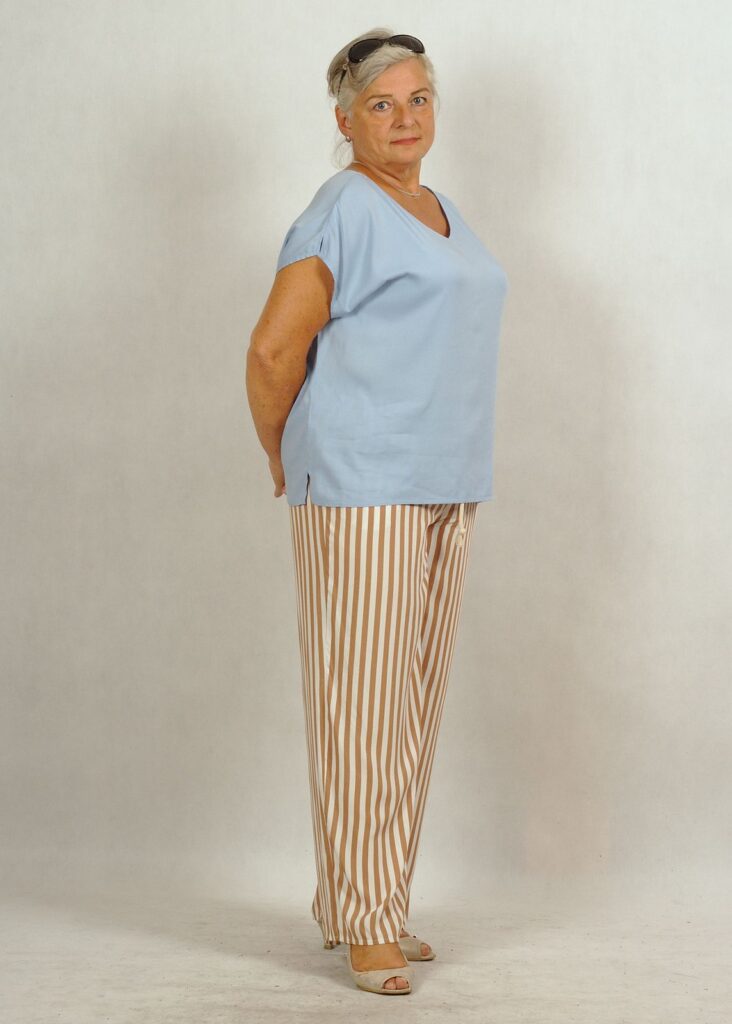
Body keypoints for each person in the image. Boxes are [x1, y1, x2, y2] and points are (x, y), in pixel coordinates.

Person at [246, 28, 509, 996]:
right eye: (382, 104)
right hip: (362, 484)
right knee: (359, 707)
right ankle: (364, 922)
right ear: (346, 119)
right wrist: (281, 449)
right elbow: (273, 353)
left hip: (447, 477)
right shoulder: (341, 210)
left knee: (411, 708)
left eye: (418, 100)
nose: (405, 119)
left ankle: (373, 900)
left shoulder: (440, 209)